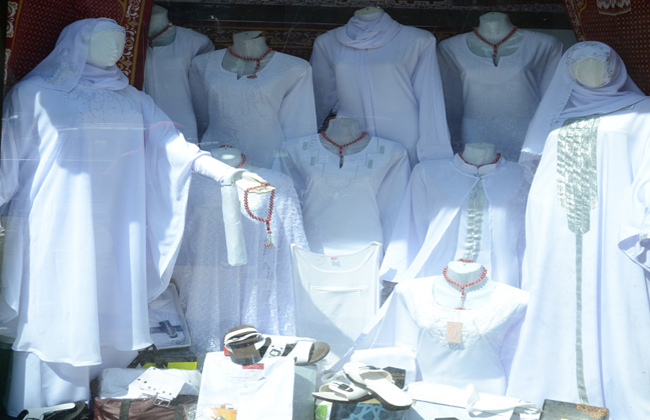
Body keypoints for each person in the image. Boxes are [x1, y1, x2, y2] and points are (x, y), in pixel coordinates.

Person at [0, 18, 267, 413]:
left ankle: (106, 402)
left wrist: (227, 173)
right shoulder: (35, 94)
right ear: (76, 46)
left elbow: (175, 146)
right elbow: (10, 158)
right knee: (61, 304)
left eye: (121, 42)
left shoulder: (133, 99)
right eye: (105, 42)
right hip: (58, 223)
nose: (116, 50)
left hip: (117, 223)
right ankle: (49, 406)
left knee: (108, 304)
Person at [507, 41, 650, 419]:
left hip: (616, 232)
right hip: (559, 230)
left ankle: (621, 399)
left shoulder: (643, 112)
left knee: (620, 304)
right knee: (555, 301)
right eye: (579, 66)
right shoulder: (557, 119)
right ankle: (558, 395)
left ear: (615, 69)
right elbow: (541, 184)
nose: (591, 72)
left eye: (599, 64)